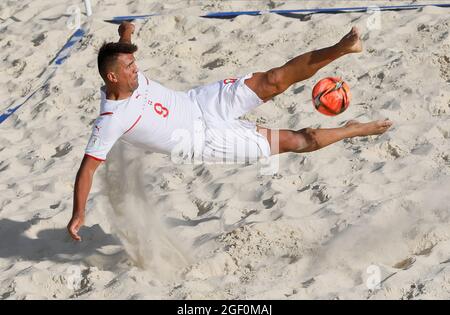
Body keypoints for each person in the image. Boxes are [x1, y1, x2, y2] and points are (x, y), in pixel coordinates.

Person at [67, 22, 392, 241]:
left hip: (200, 103)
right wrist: (79, 213)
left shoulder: (123, 69)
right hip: (206, 141)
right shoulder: (110, 119)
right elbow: (88, 169)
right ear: (112, 78)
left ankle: (342, 47)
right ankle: (351, 130)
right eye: (129, 69)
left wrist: (126, 32)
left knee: (274, 80)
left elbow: (122, 51)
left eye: (135, 65)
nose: (136, 70)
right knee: (295, 140)